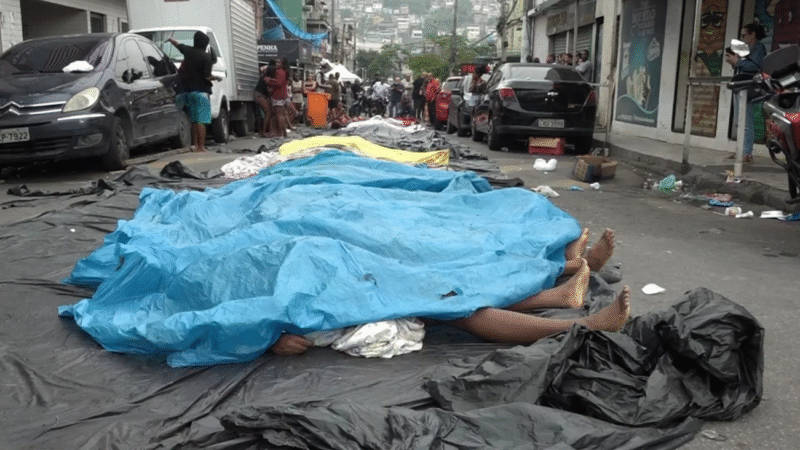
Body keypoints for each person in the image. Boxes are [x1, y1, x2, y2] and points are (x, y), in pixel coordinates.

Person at [270, 229, 632, 355]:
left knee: (451, 285)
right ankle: (582, 326)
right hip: (324, 304)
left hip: (325, 282)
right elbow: (225, 323)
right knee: (451, 306)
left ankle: (559, 291)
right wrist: (265, 338)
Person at [167, 32, 222, 152]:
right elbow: (207, 76)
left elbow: (178, 45)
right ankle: (201, 147)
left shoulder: (188, 51)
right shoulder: (206, 57)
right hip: (201, 92)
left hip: (187, 91)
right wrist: (217, 78)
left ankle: (195, 145)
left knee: (194, 120)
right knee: (201, 120)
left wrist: (171, 40)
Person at [725, 22, 767, 164]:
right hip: (739, 85)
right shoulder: (746, 49)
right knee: (739, 120)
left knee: (746, 121)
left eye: (744, 35)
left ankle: (747, 152)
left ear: (753, 34)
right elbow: (743, 65)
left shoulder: (758, 47)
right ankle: (741, 150)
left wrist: (738, 62)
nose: (742, 38)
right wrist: (734, 63)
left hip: (748, 87)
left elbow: (756, 67)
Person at [264, 57, 290, 138]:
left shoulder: (279, 72)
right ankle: (284, 132)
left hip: (277, 95)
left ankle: (283, 133)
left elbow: (278, 83)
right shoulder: (285, 71)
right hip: (283, 95)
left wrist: (269, 81)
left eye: (279, 62)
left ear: (282, 63)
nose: (277, 63)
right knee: (282, 114)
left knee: (279, 115)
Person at [254, 61, 275, 137]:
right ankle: (264, 132)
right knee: (268, 113)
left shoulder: (264, 76)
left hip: (260, 95)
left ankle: (269, 131)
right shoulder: (267, 78)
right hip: (260, 95)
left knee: (269, 113)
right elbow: (269, 90)